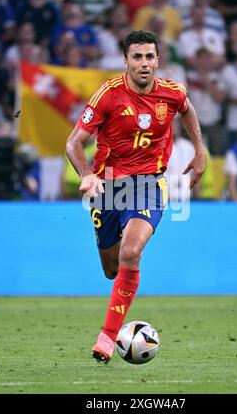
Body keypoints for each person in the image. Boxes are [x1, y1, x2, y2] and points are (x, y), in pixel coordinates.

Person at [66, 30, 206, 364]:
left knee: (131, 252)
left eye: (149, 57)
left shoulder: (172, 94)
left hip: (149, 184)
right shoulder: (108, 95)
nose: (144, 64)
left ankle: (107, 337)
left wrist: (199, 149)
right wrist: (88, 175)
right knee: (112, 268)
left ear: (158, 59)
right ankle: (116, 307)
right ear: (125, 61)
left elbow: (187, 110)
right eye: (137, 57)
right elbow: (73, 143)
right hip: (108, 188)